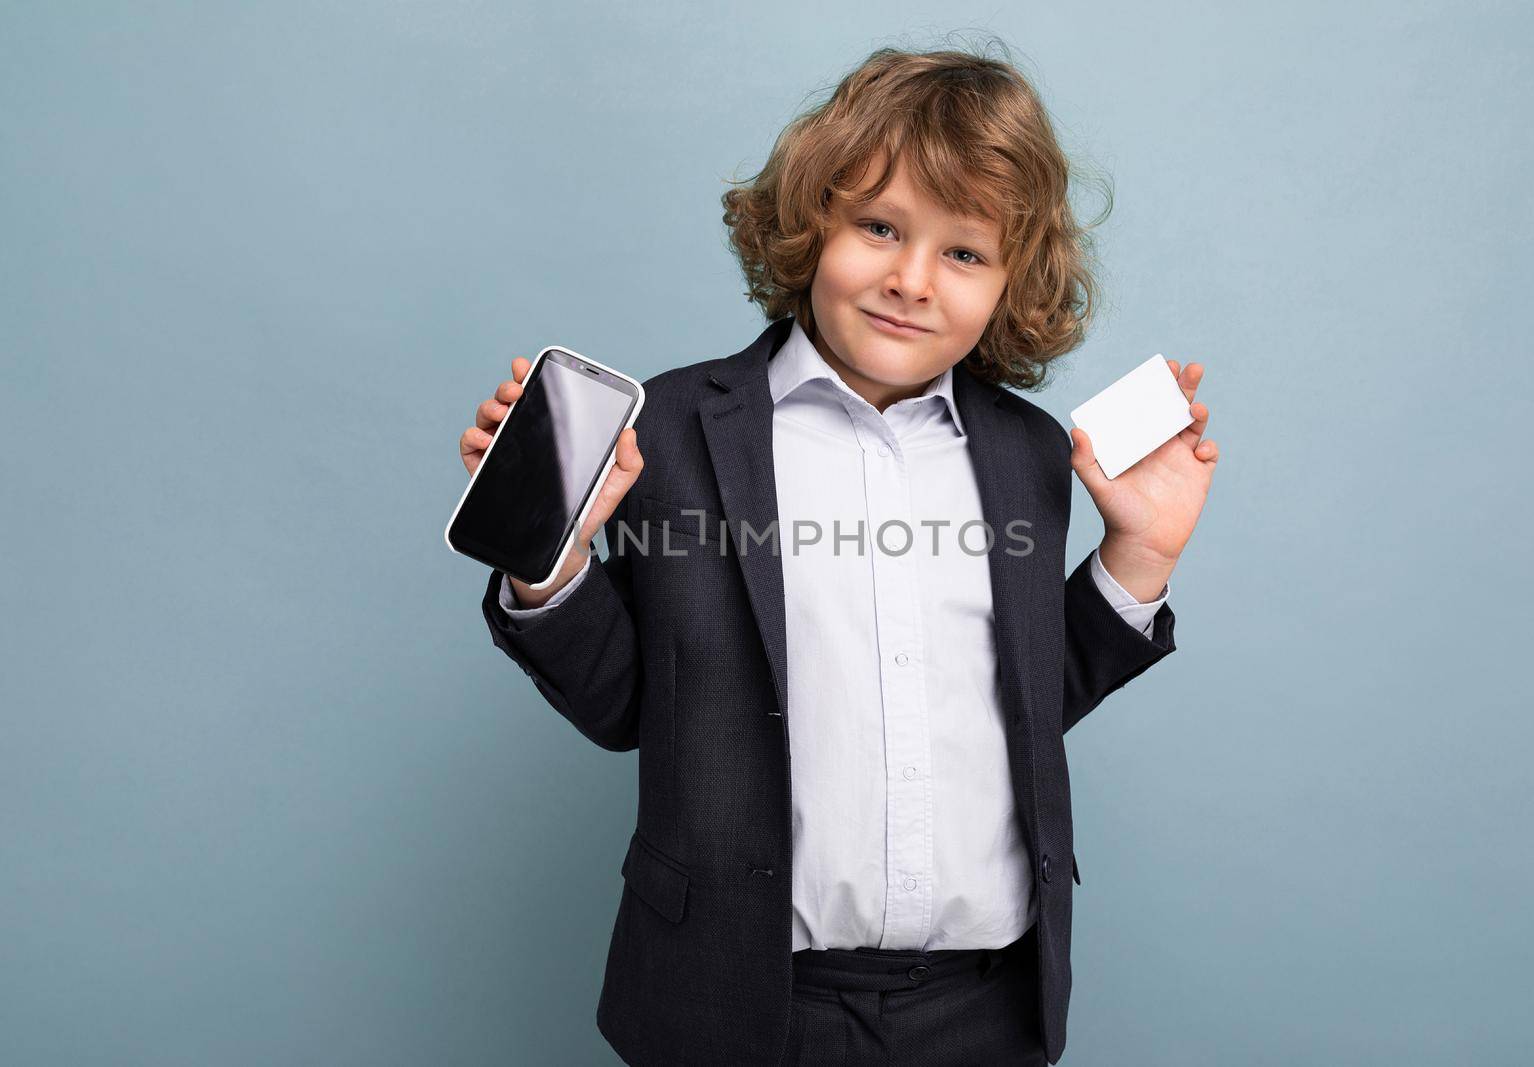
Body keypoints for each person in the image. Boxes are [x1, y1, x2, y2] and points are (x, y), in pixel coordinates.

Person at [459, 43, 1218, 1067]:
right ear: (811, 221)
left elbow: (1017, 705)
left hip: (985, 1004)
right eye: (878, 227)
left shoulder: (1026, 453)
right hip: (735, 999)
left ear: (1011, 282)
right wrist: (550, 558)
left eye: (963, 252)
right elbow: (624, 706)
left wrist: (1135, 556)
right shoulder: (677, 428)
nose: (911, 280)